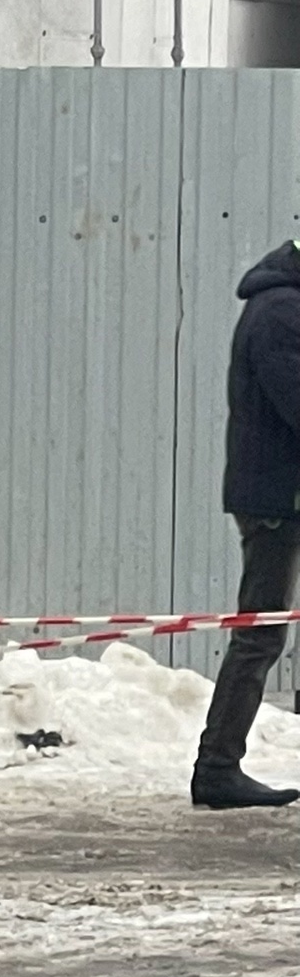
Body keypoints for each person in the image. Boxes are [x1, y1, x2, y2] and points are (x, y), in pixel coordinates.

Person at [194, 240, 300, 810]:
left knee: (261, 633)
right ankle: (216, 768)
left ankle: (217, 766)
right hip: (277, 501)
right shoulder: (280, 312)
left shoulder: (281, 304)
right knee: (260, 635)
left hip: (281, 496)